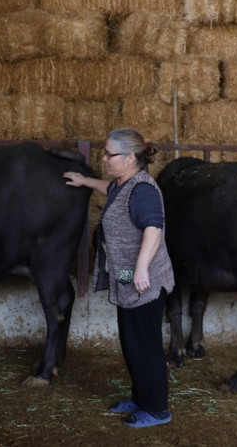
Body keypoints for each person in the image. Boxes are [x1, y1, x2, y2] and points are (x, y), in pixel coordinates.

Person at [64, 127, 175, 429]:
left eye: (109, 154)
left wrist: (140, 268)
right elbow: (110, 190)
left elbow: (154, 228)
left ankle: (157, 409)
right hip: (129, 279)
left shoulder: (144, 190)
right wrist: (85, 181)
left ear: (129, 158)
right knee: (132, 342)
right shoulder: (123, 184)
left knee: (145, 345)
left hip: (145, 281)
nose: (104, 158)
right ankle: (141, 397)